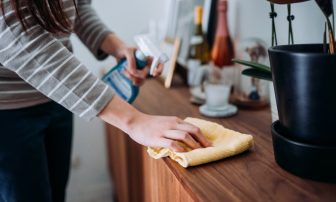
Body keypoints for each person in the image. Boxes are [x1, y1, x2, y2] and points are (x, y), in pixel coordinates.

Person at [0, 0, 211, 202]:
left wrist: (116, 47)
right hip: (9, 114)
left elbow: (74, 8)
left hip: (58, 98)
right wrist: (134, 121)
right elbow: (18, 38)